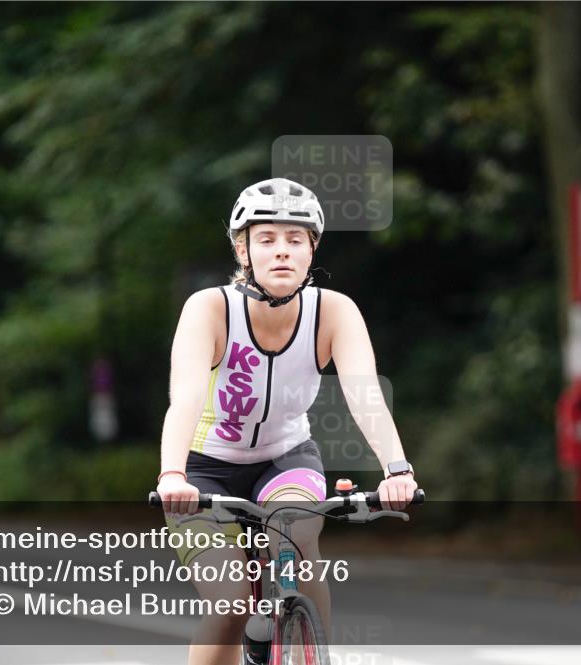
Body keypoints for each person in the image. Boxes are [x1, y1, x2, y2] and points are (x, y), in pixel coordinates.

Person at [156, 177, 418, 665]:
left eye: (295, 240)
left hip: (287, 460)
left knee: (297, 537)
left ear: (311, 249)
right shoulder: (209, 309)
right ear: (243, 250)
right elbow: (186, 397)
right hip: (202, 470)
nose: (282, 252)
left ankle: (314, 655)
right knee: (232, 603)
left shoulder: (334, 312)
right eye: (267, 239)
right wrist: (173, 476)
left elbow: (365, 396)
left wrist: (397, 469)